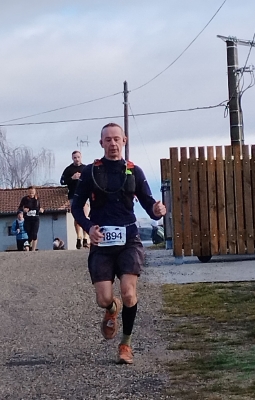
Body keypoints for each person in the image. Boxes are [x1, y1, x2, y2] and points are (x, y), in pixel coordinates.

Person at [71, 122, 166, 365]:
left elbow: (149, 205)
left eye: (117, 139)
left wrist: (157, 211)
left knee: (128, 293)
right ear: (101, 143)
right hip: (102, 241)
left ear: (124, 141)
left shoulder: (134, 172)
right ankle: (111, 310)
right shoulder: (92, 172)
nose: (113, 144)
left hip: (129, 240)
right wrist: (89, 226)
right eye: (108, 140)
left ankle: (125, 344)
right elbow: (76, 206)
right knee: (104, 298)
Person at [60, 150, 90, 249]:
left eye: (78, 157)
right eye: (75, 157)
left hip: (85, 195)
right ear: (72, 158)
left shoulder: (86, 168)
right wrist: (72, 178)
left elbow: (92, 180)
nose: (77, 159)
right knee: (77, 217)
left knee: (85, 217)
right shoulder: (68, 169)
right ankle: (79, 237)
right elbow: (62, 181)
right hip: (73, 195)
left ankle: (85, 238)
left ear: (81, 157)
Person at [18, 186, 44, 251]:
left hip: (35, 218)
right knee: (29, 234)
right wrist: (24, 209)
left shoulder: (37, 199)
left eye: (32, 192)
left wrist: (41, 209)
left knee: (34, 234)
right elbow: (20, 208)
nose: (31, 194)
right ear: (28, 192)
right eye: (30, 192)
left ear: (35, 192)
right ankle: (27, 247)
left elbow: (39, 207)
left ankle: (33, 250)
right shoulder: (24, 199)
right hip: (27, 219)